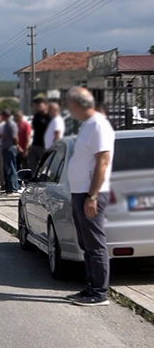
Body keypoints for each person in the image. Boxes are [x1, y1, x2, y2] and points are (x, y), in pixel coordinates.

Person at [65, 87, 115, 307]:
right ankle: (90, 286)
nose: (68, 109)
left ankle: (99, 291)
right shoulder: (87, 125)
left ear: (77, 104)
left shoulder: (98, 125)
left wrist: (92, 196)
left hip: (90, 193)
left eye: (68, 104)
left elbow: (102, 161)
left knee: (95, 244)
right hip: (80, 192)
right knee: (86, 243)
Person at [0, 110, 19, 195]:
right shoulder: (6, 124)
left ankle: (13, 188)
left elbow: (15, 137)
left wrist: (16, 146)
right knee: (6, 169)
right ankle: (8, 188)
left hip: (10, 148)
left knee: (11, 168)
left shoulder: (11, 124)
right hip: (6, 148)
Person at [28, 96, 52, 171]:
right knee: (32, 167)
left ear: (45, 105)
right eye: (35, 105)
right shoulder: (36, 116)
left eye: (39, 106)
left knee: (45, 168)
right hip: (35, 144)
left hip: (44, 146)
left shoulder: (49, 117)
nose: (37, 107)